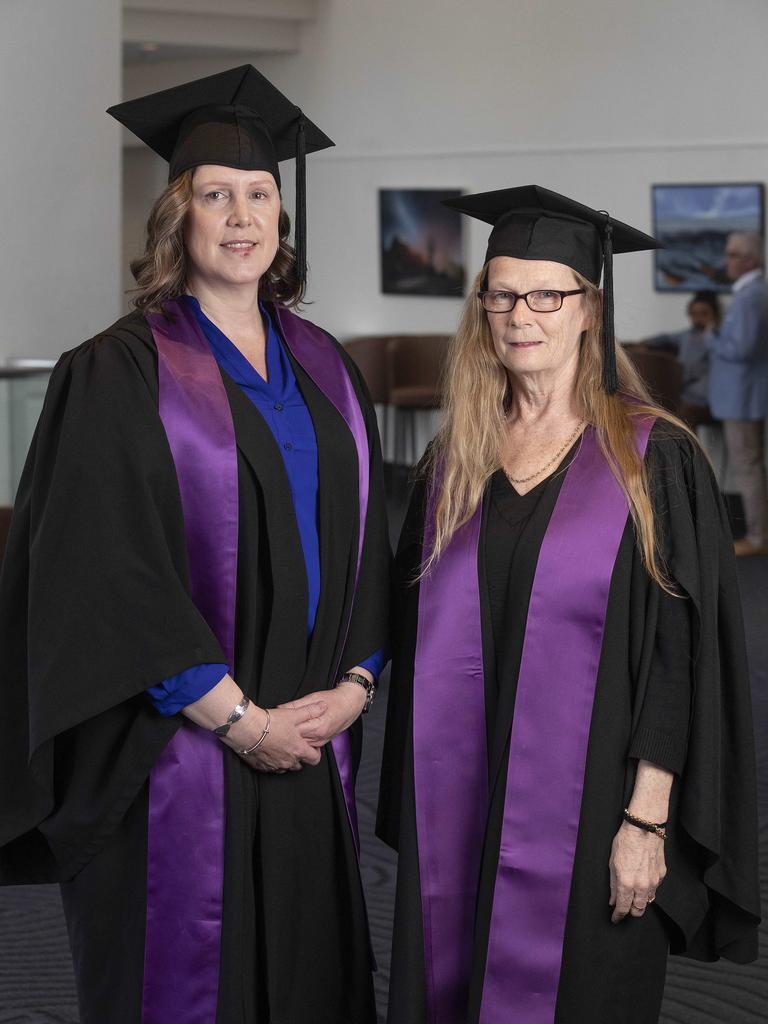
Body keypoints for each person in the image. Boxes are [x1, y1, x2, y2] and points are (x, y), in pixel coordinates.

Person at [0, 65, 390, 1024]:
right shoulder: (115, 372)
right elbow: (100, 572)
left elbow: (369, 542)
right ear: (178, 218)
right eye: (216, 195)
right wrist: (236, 720)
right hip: (180, 743)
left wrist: (353, 689)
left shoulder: (326, 366)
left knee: (306, 977)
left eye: (261, 195)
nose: (243, 215)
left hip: (309, 731)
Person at [377, 185, 759, 1024]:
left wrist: (646, 822)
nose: (522, 314)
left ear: (590, 308)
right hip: (463, 801)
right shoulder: (452, 463)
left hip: (594, 812)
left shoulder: (652, 458)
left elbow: (676, 655)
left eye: (548, 293)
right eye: (503, 292)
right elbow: (398, 623)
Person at [708, 230, 768, 555]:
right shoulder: (753, 292)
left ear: (751, 260)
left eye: (732, 255)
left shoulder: (750, 295)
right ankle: (760, 533)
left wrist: (712, 338)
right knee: (752, 464)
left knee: (748, 466)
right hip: (743, 395)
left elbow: (742, 349)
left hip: (742, 397)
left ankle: (758, 538)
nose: (726, 261)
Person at [634, 290, 720, 428]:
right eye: (694, 314)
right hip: (684, 392)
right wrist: (644, 344)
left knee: (681, 413)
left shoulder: (717, 340)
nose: (698, 319)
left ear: (714, 316)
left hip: (705, 396)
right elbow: (665, 338)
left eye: (704, 314)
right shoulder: (686, 335)